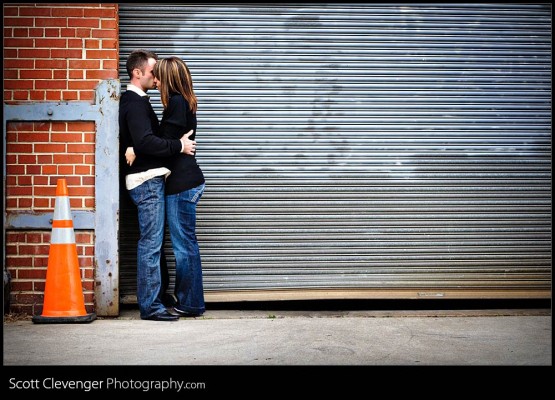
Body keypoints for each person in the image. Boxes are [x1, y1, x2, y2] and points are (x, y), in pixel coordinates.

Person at [119, 49, 195, 321]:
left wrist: (133, 146)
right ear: (137, 73)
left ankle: (160, 298)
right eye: (153, 72)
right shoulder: (135, 102)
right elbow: (146, 141)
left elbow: (140, 140)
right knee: (150, 244)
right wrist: (180, 145)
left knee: (154, 244)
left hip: (150, 179)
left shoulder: (138, 101)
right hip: (146, 182)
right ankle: (150, 306)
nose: (157, 76)